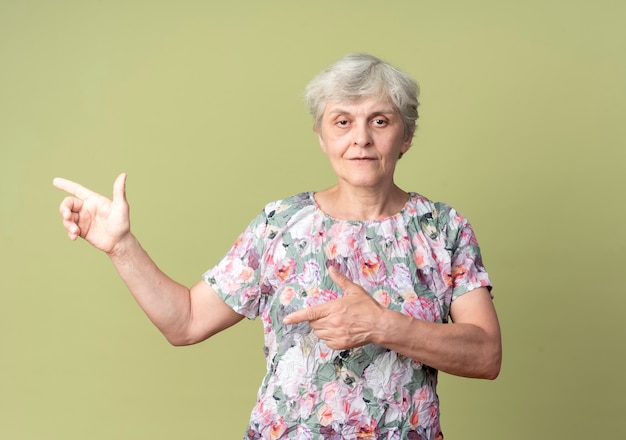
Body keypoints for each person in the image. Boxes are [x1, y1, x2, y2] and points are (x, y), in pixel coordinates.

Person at [53, 53, 501, 440]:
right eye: (342, 122)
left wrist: (382, 325)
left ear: (405, 137)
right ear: (322, 137)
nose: (360, 138)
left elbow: (486, 354)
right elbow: (185, 322)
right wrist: (121, 246)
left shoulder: (443, 228)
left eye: (379, 121)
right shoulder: (280, 225)